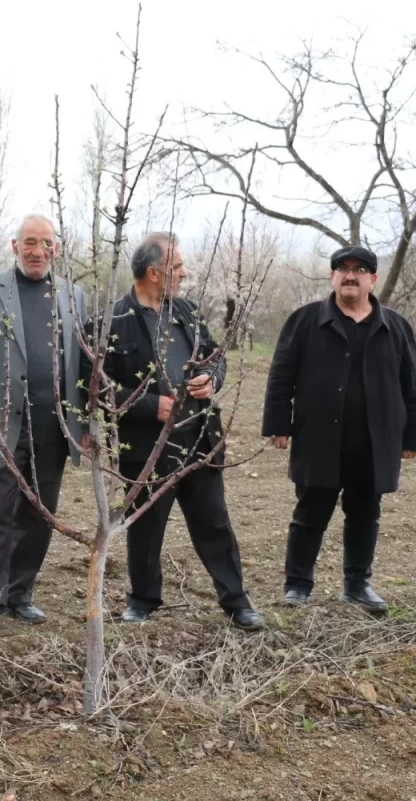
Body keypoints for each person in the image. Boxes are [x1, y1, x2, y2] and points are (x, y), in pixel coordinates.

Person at [90, 233, 264, 631]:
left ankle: (236, 601)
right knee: (146, 527)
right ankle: (142, 600)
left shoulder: (186, 311)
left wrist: (210, 377)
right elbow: (93, 384)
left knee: (214, 523)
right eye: (178, 266)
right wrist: (152, 406)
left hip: (198, 438)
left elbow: (215, 356)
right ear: (154, 273)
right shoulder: (109, 321)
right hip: (147, 446)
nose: (184, 273)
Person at [261, 245, 416, 615]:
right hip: (319, 437)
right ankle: (297, 586)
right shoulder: (305, 320)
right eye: (343, 268)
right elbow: (281, 375)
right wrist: (278, 424)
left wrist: (414, 436)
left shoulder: (395, 327)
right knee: (310, 512)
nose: (350, 275)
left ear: (373, 279)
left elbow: (412, 385)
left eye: (359, 269)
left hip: (374, 441)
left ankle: (356, 584)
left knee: (366, 513)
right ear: (332, 276)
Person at [0, 214, 87, 639]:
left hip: (53, 427)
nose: (38, 251)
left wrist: (85, 426)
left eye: (46, 243)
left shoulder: (75, 297)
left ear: (58, 248)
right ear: (14, 246)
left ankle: (19, 592)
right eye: (29, 242)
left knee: (39, 514)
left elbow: (85, 368)